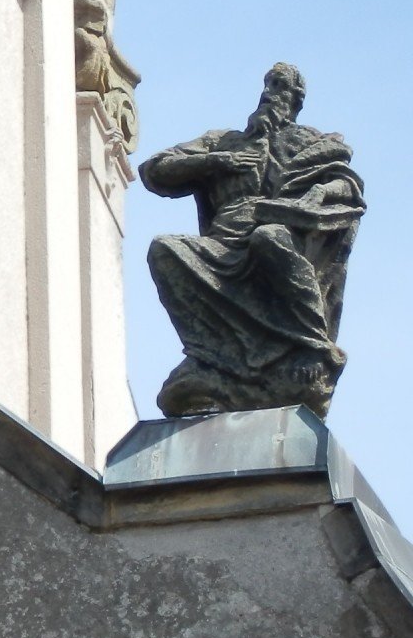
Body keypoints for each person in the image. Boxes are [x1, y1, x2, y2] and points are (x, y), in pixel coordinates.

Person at [140, 63, 363, 417]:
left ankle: (311, 346)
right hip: (223, 244)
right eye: (267, 84)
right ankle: (210, 359)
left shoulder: (311, 143)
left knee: (268, 238)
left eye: (279, 86)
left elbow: (347, 185)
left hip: (284, 233)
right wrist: (217, 161)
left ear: (295, 100)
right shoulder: (224, 140)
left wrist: (317, 193)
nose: (268, 92)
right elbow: (155, 170)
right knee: (164, 249)